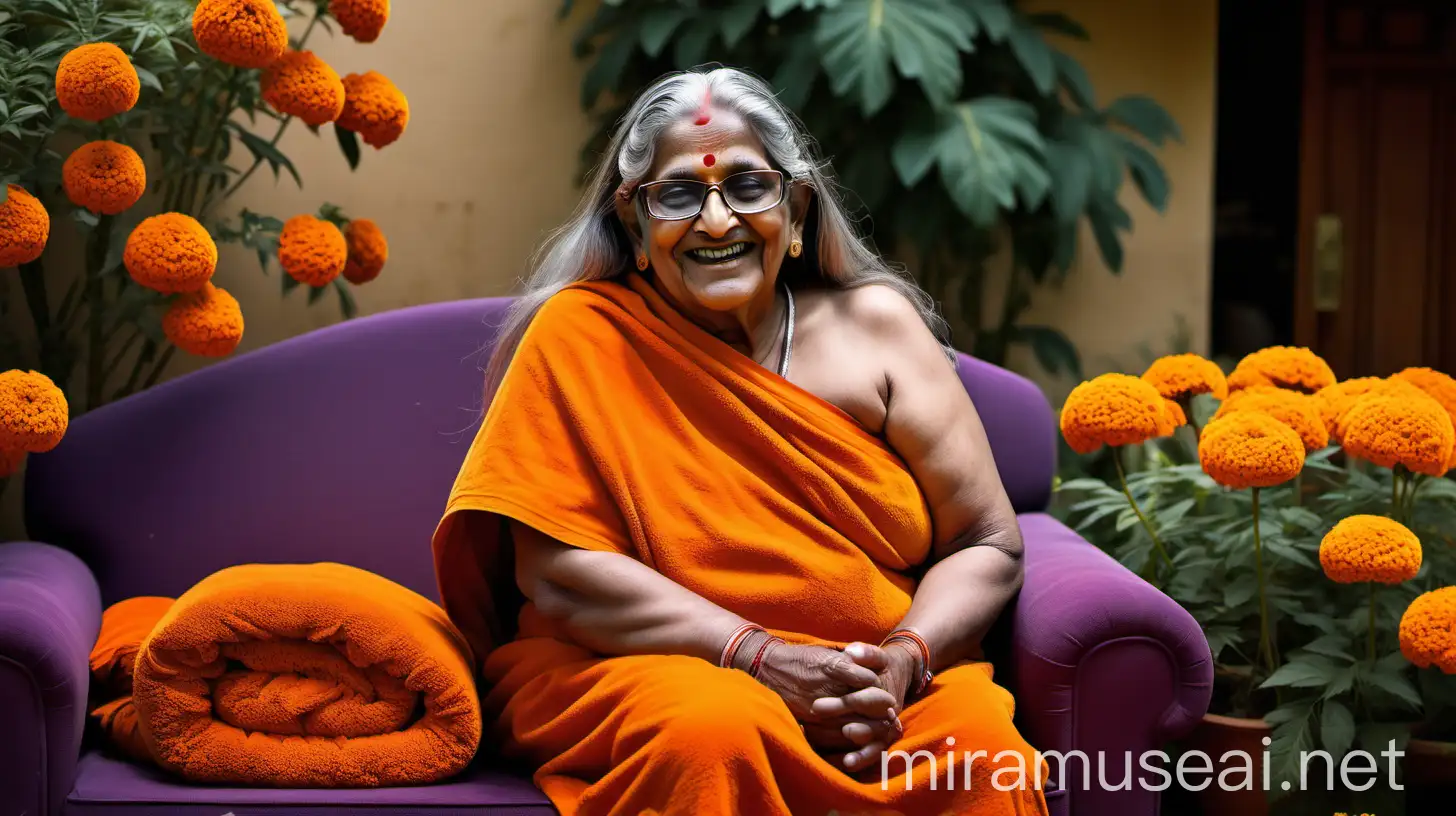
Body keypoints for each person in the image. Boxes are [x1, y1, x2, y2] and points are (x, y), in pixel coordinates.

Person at [432, 66, 1048, 816]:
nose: (717, 222)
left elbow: (986, 540)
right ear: (634, 225)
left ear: (796, 209)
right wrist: (759, 656)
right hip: (643, 672)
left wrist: (900, 661)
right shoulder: (578, 337)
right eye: (680, 194)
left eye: (749, 187)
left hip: (877, 686)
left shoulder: (878, 329)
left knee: (982, 752)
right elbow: (559, 576)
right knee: (716, 729)